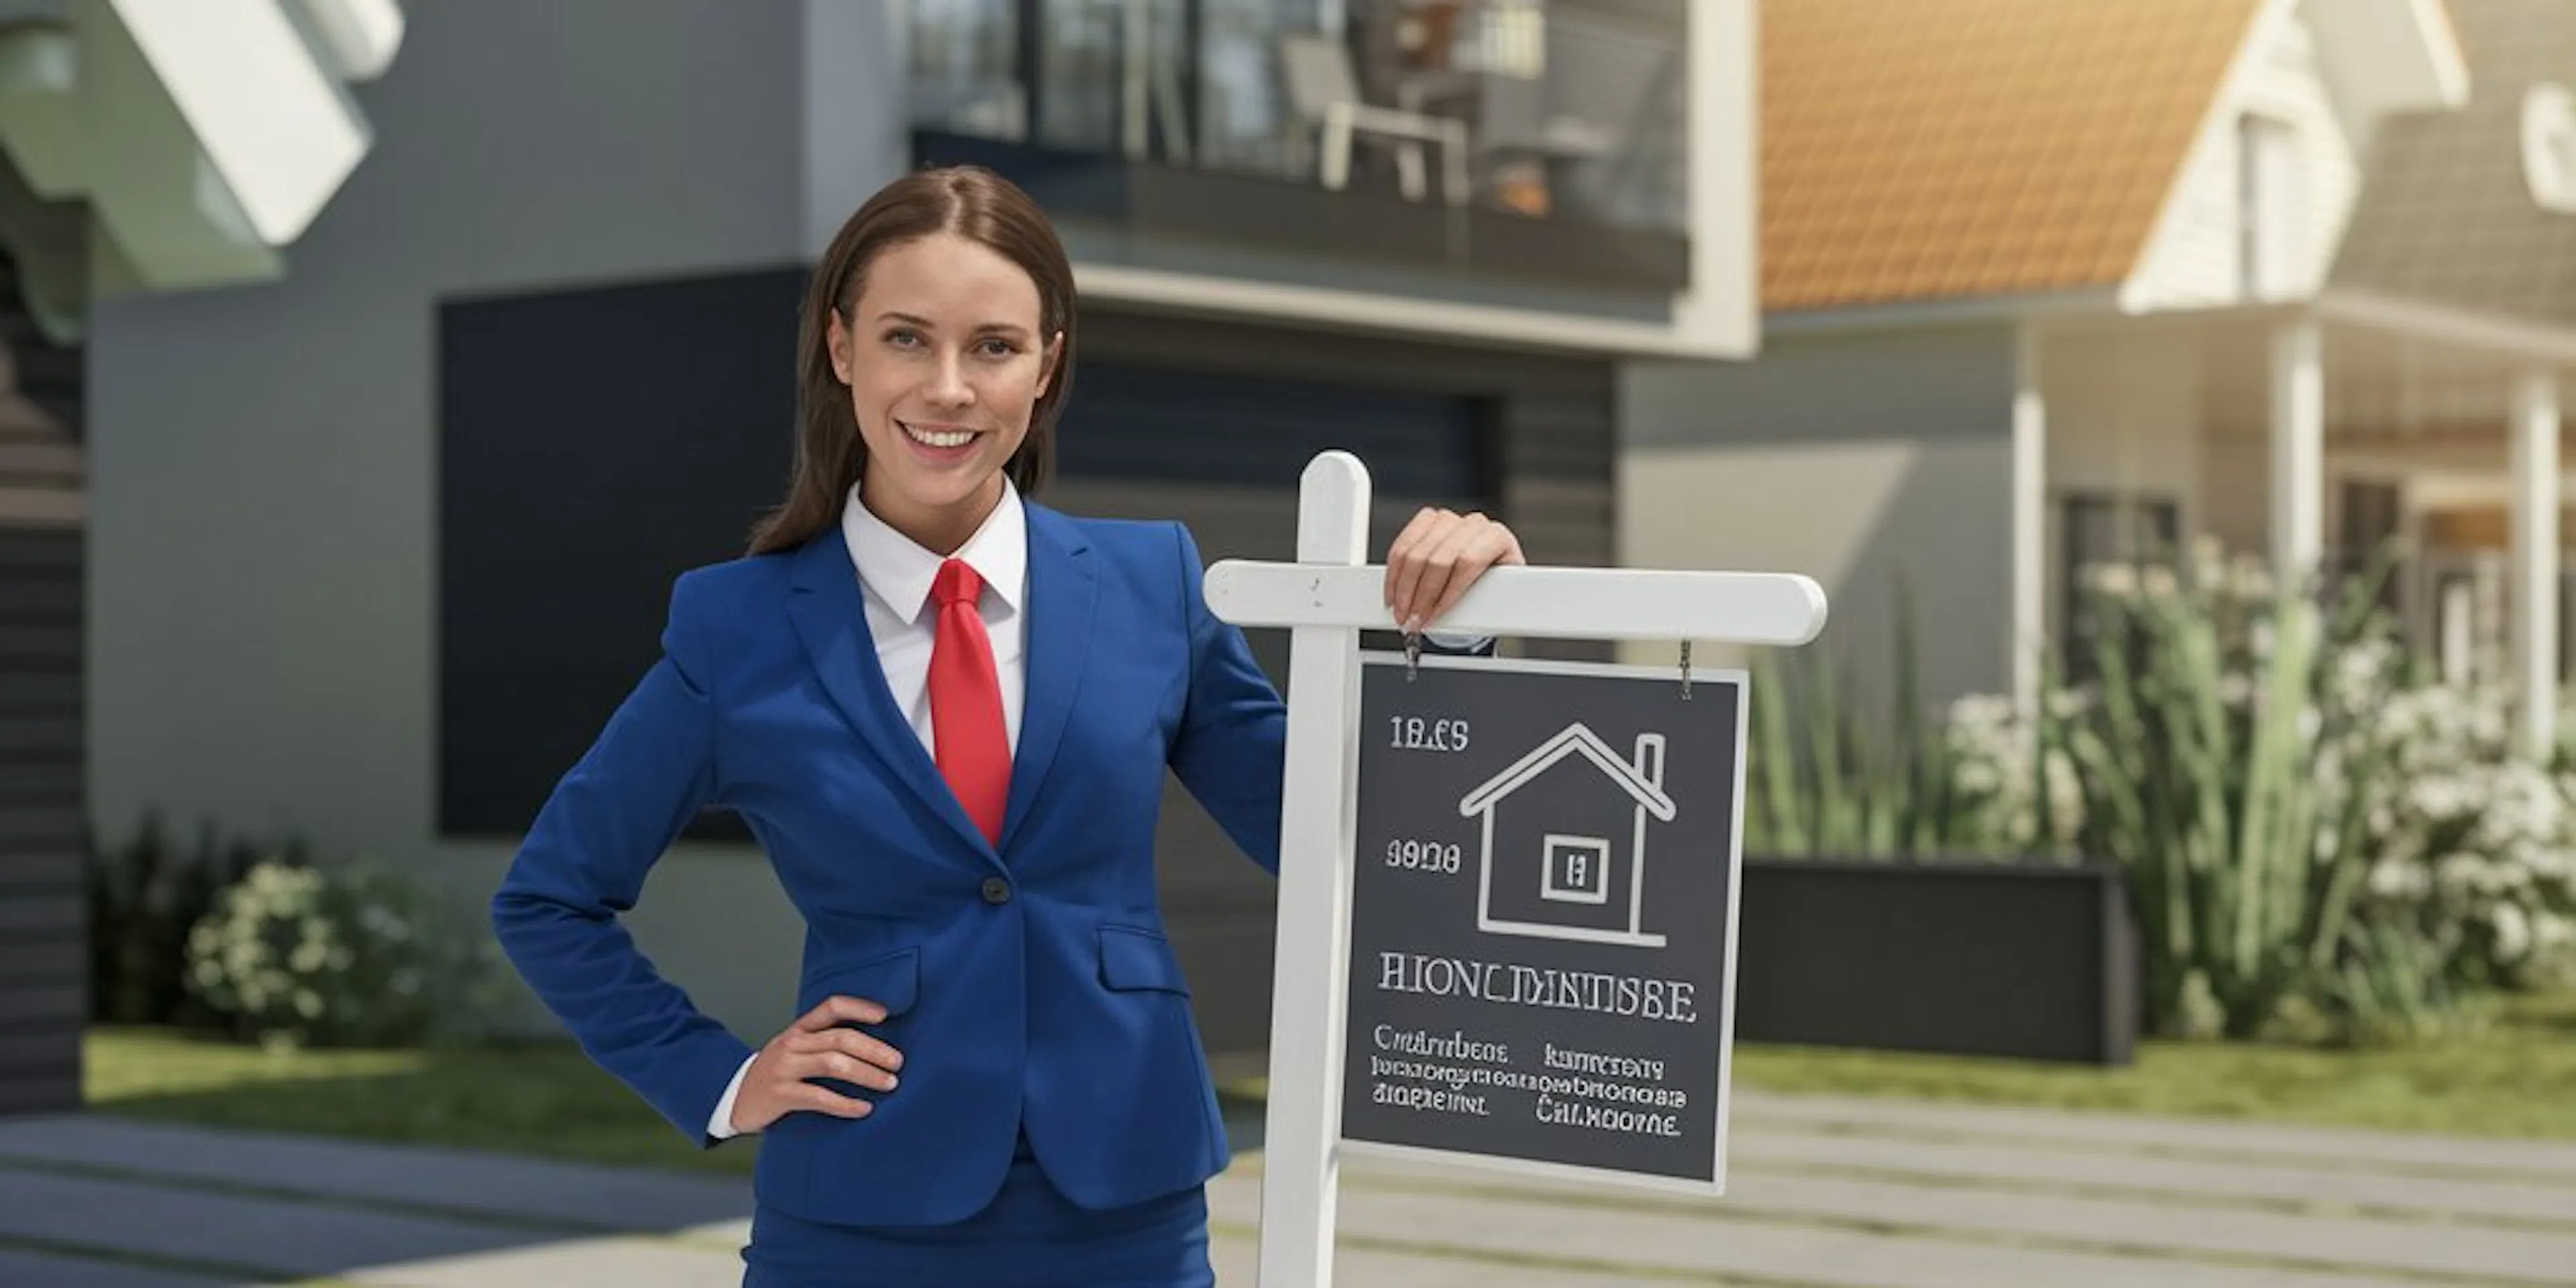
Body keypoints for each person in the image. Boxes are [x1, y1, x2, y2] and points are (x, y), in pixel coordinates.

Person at [488, 165, 1524, 1287]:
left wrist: (1457, 635)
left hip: (1125, 1204)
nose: (948, 389)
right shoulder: (739, 628)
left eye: (992, 346)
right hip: (859, 1213)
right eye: (905, 339)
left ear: (1048, 363)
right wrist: (722, 1080)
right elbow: (550, 898)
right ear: (842, 351)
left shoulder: (1154, 585)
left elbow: (1337, 835)